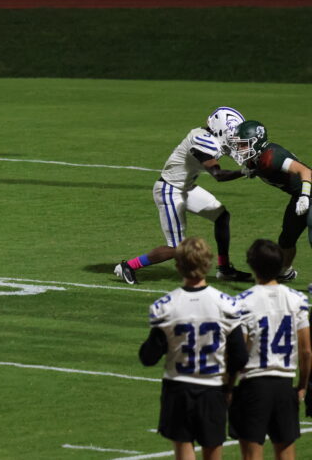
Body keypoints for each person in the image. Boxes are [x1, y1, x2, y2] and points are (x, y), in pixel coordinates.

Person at [138, 236, 247, 460]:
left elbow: (148, 357)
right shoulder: (226, 304)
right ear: (208, 263)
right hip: (213, 388)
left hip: (178, 389)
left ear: (178, 265)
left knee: (183, 450)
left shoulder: (166, 306)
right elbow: (240, 356)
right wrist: (228, 386)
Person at [116, 107, 251, 285]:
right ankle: (128, 266)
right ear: (220, 130)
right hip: (169, 190)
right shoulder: (202, 141)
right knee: (177, 248)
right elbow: (218, 175)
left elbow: (237, 151)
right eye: (232, 135)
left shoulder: (212, 137)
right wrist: (244, 172)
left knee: (222, 216)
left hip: (185, 188)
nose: (234, 139)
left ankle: (224, 269)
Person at [230, 239, 310, 460]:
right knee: (286, 454)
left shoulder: (242, 302)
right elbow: (306, 351)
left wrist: (228, 386)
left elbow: (238, 352)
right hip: (285, 385)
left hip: (253, 385)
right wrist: (302, 386)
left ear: (252, 265)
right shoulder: (297, 299)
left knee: (252, 454)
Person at [228, 120, 312, 283]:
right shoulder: (256, 159)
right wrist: (254, 171)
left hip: (307, 192)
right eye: (238, 145)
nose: (239, 149)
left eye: (243, 144)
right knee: (287, 238)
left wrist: (305, 196)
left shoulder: (272, 156)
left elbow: (305, 171)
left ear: (257, 141)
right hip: (298, 195)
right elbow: (261, 168)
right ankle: (285, 272)